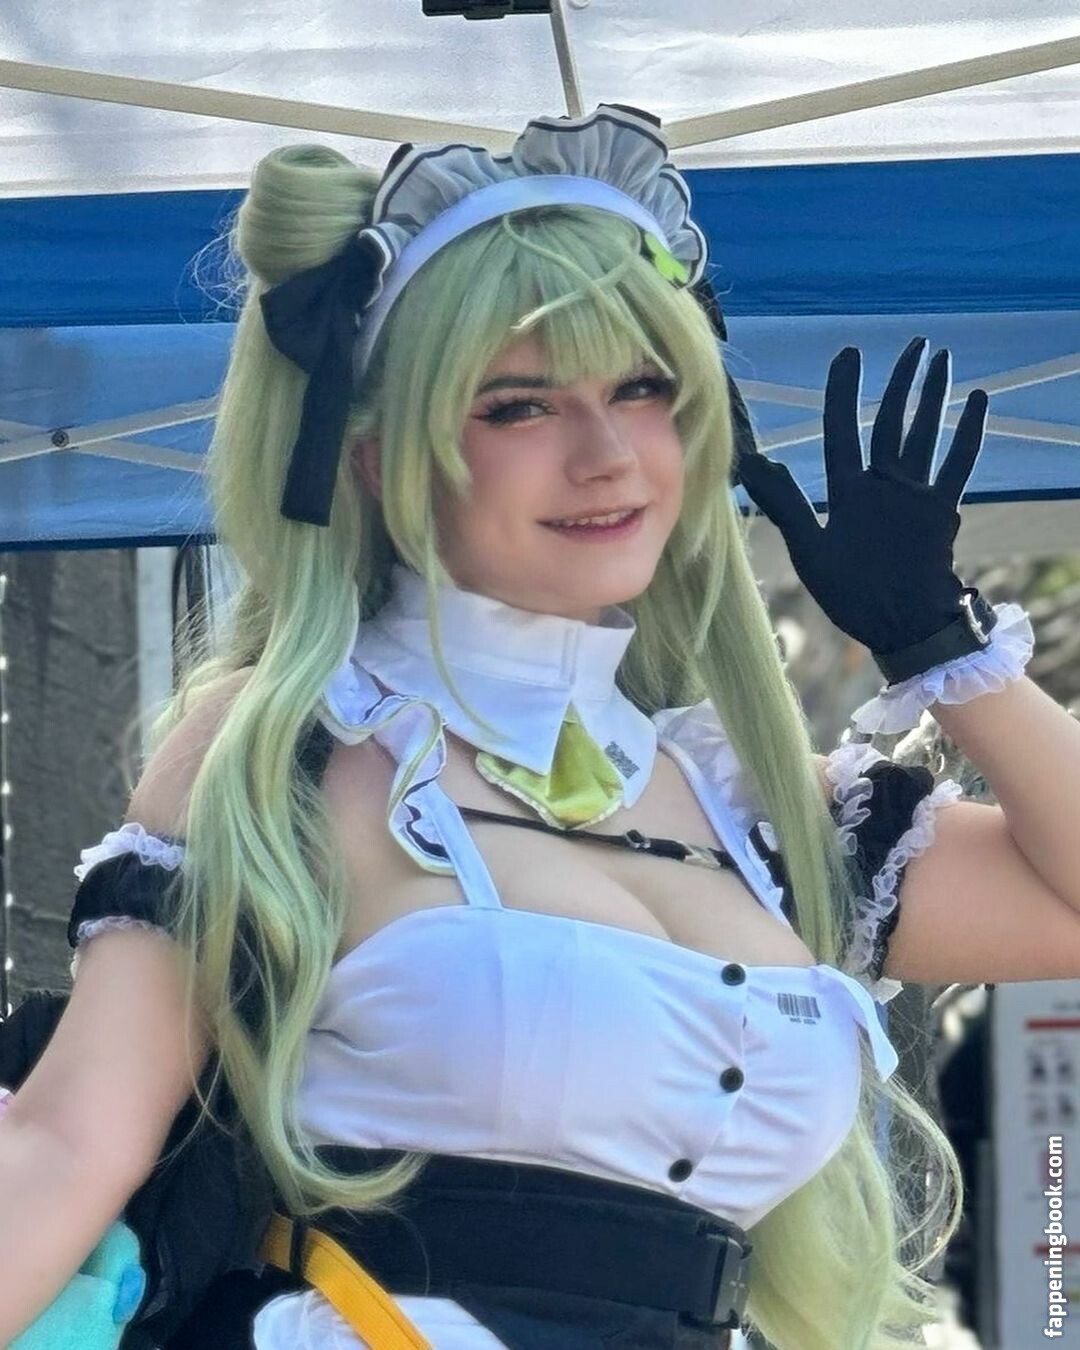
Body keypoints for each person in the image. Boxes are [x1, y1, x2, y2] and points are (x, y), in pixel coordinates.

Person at [2, 101, 1076, 1350]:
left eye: (644, 389)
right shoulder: (292, 745)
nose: (608, 455)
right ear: (374, 458)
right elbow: (68, 1139)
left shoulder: (757, 807)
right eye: (519, 406)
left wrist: (943, 647)